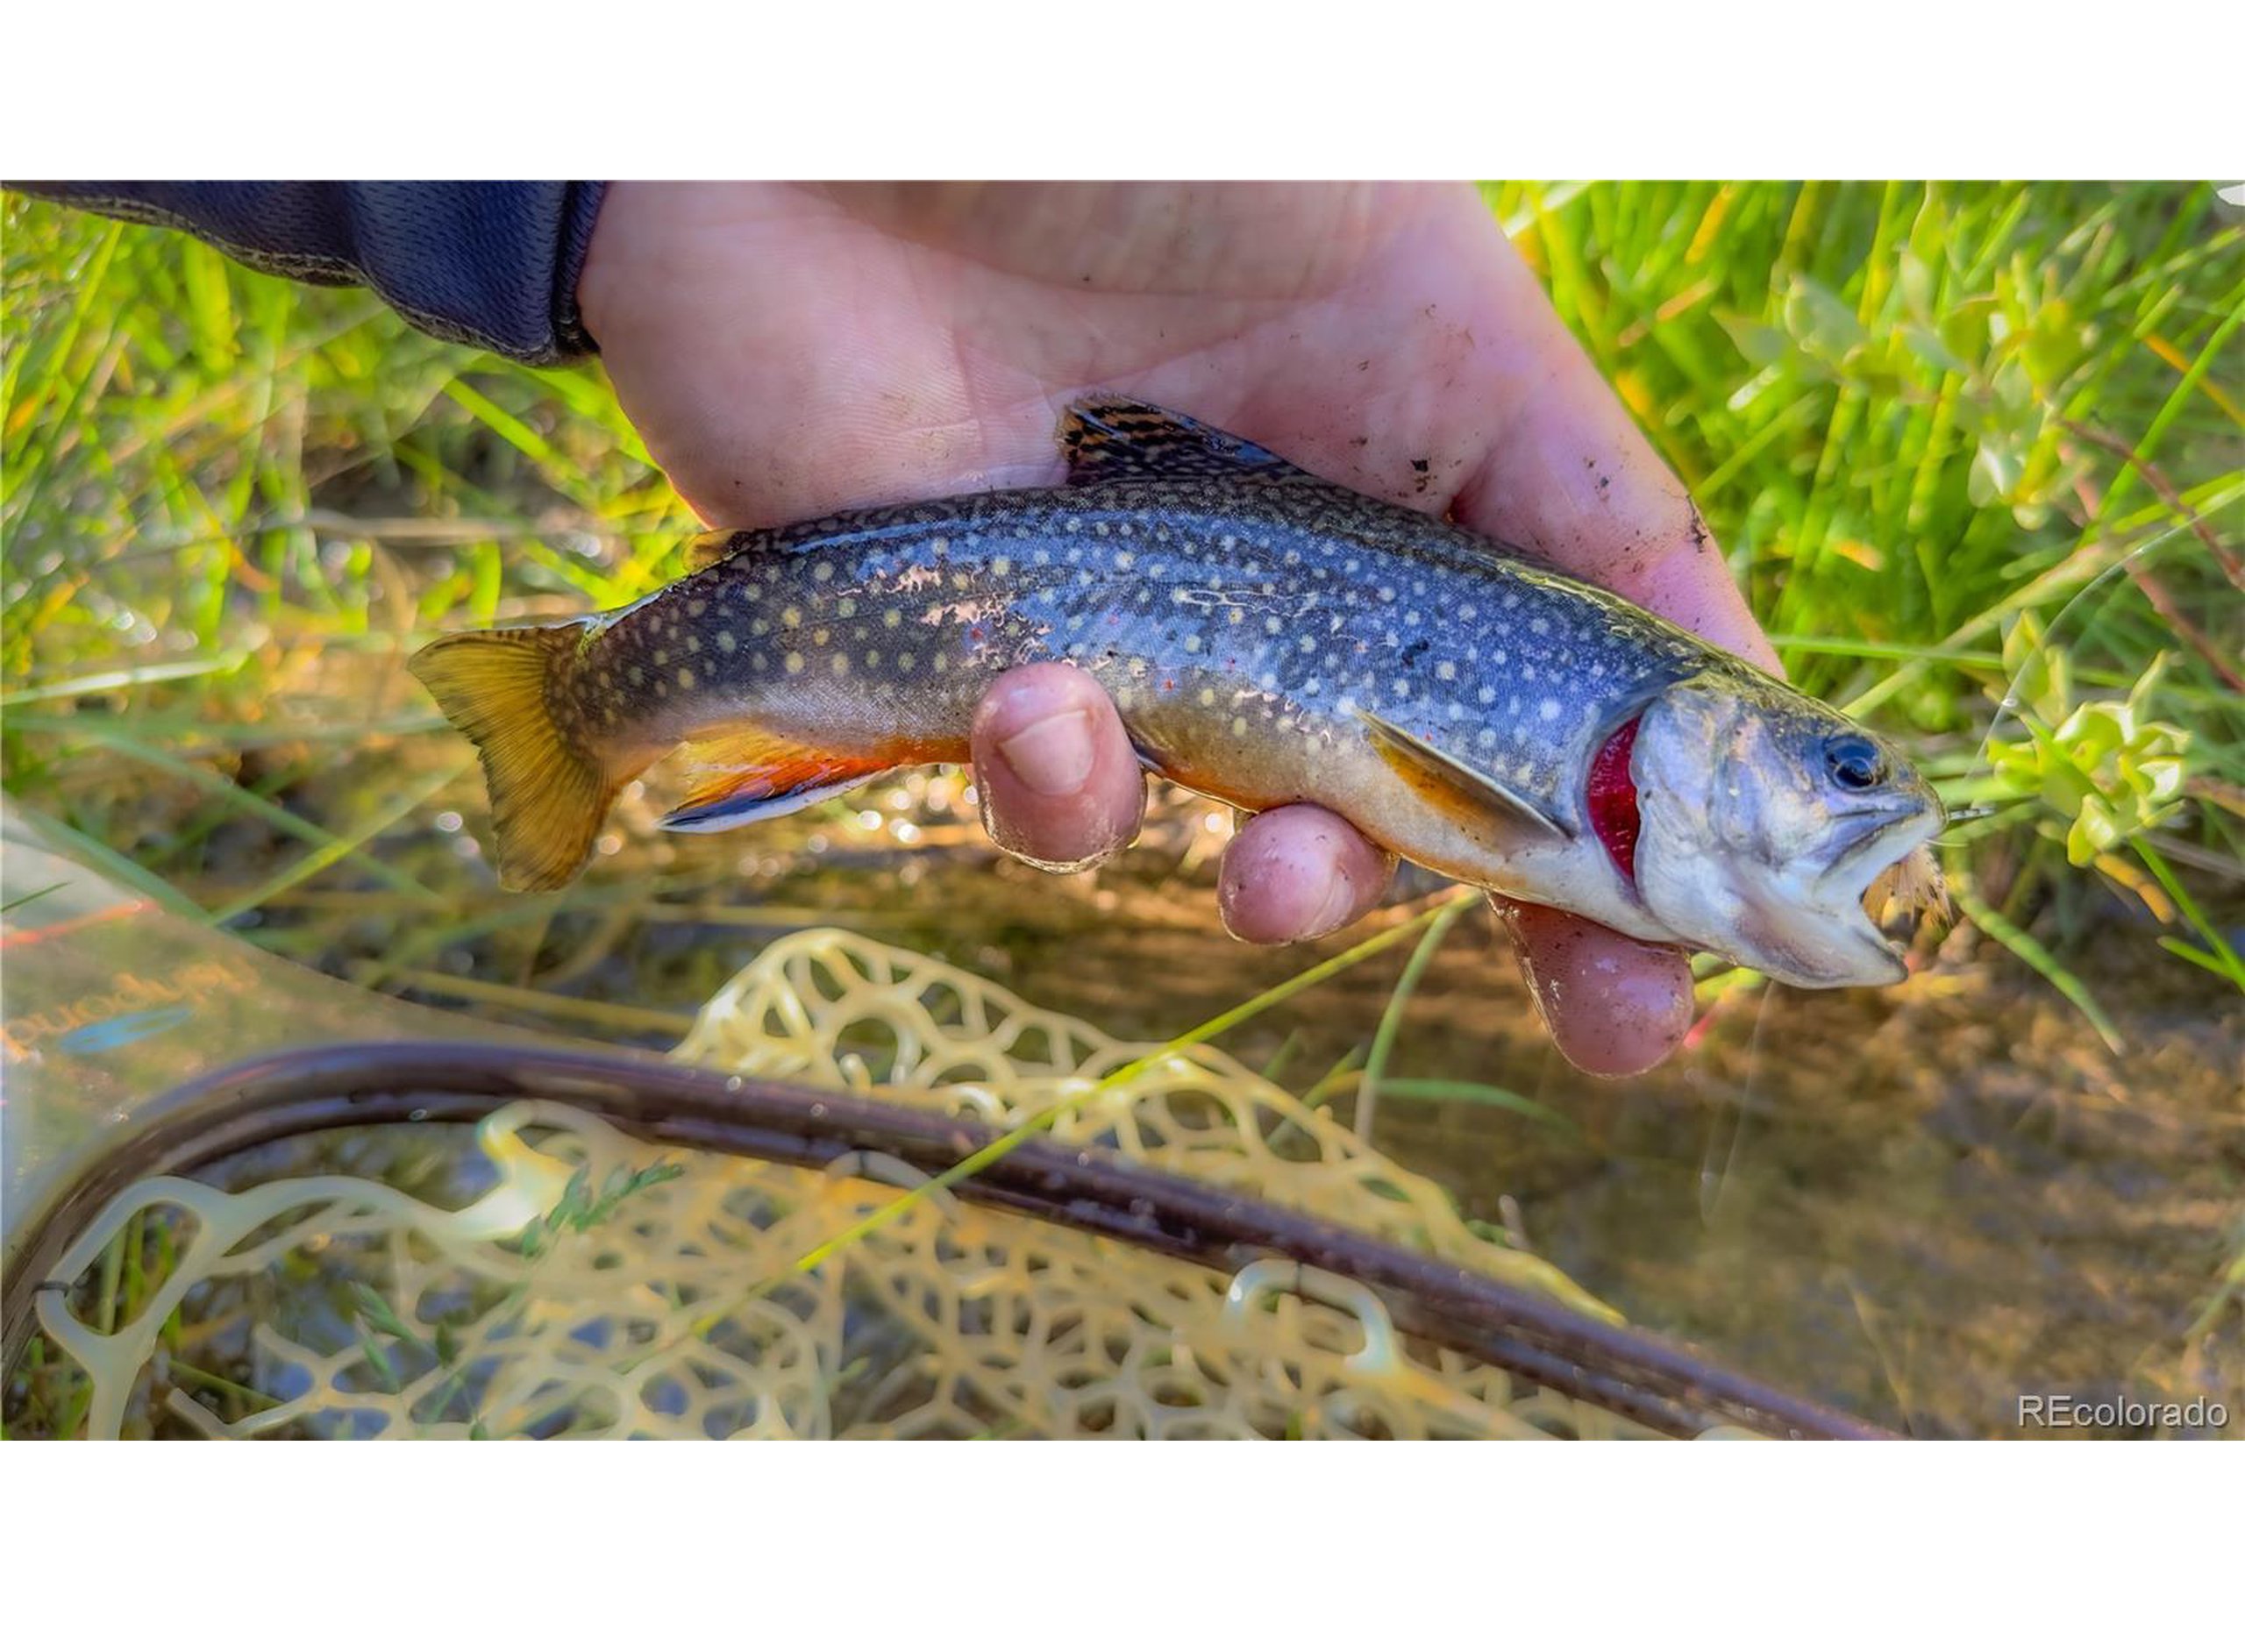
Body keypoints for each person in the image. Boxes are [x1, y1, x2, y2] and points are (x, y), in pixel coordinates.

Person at [15, 182, 1785, 1076]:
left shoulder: (1610, 721)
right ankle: (573, 714)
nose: (1850, 801)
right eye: (1833, 769)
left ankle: (583, 713)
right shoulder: (1610, 716)